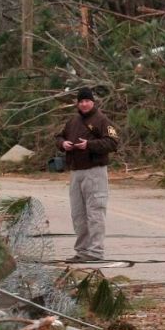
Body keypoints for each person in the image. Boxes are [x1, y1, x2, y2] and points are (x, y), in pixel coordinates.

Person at [58, 87, 119, 262]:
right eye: (81, 101)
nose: (84, 104)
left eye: (87, 101)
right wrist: (64, 144)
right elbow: (59, 137)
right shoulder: (72, 121)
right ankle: (82, 251)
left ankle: (95, 252)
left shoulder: (101, 120)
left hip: (95, 172)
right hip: (76, 172)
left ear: (93, 102)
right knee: (78, 214)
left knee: (95, 212)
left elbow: (113, 142)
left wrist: (90, 145)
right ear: (78, 103)